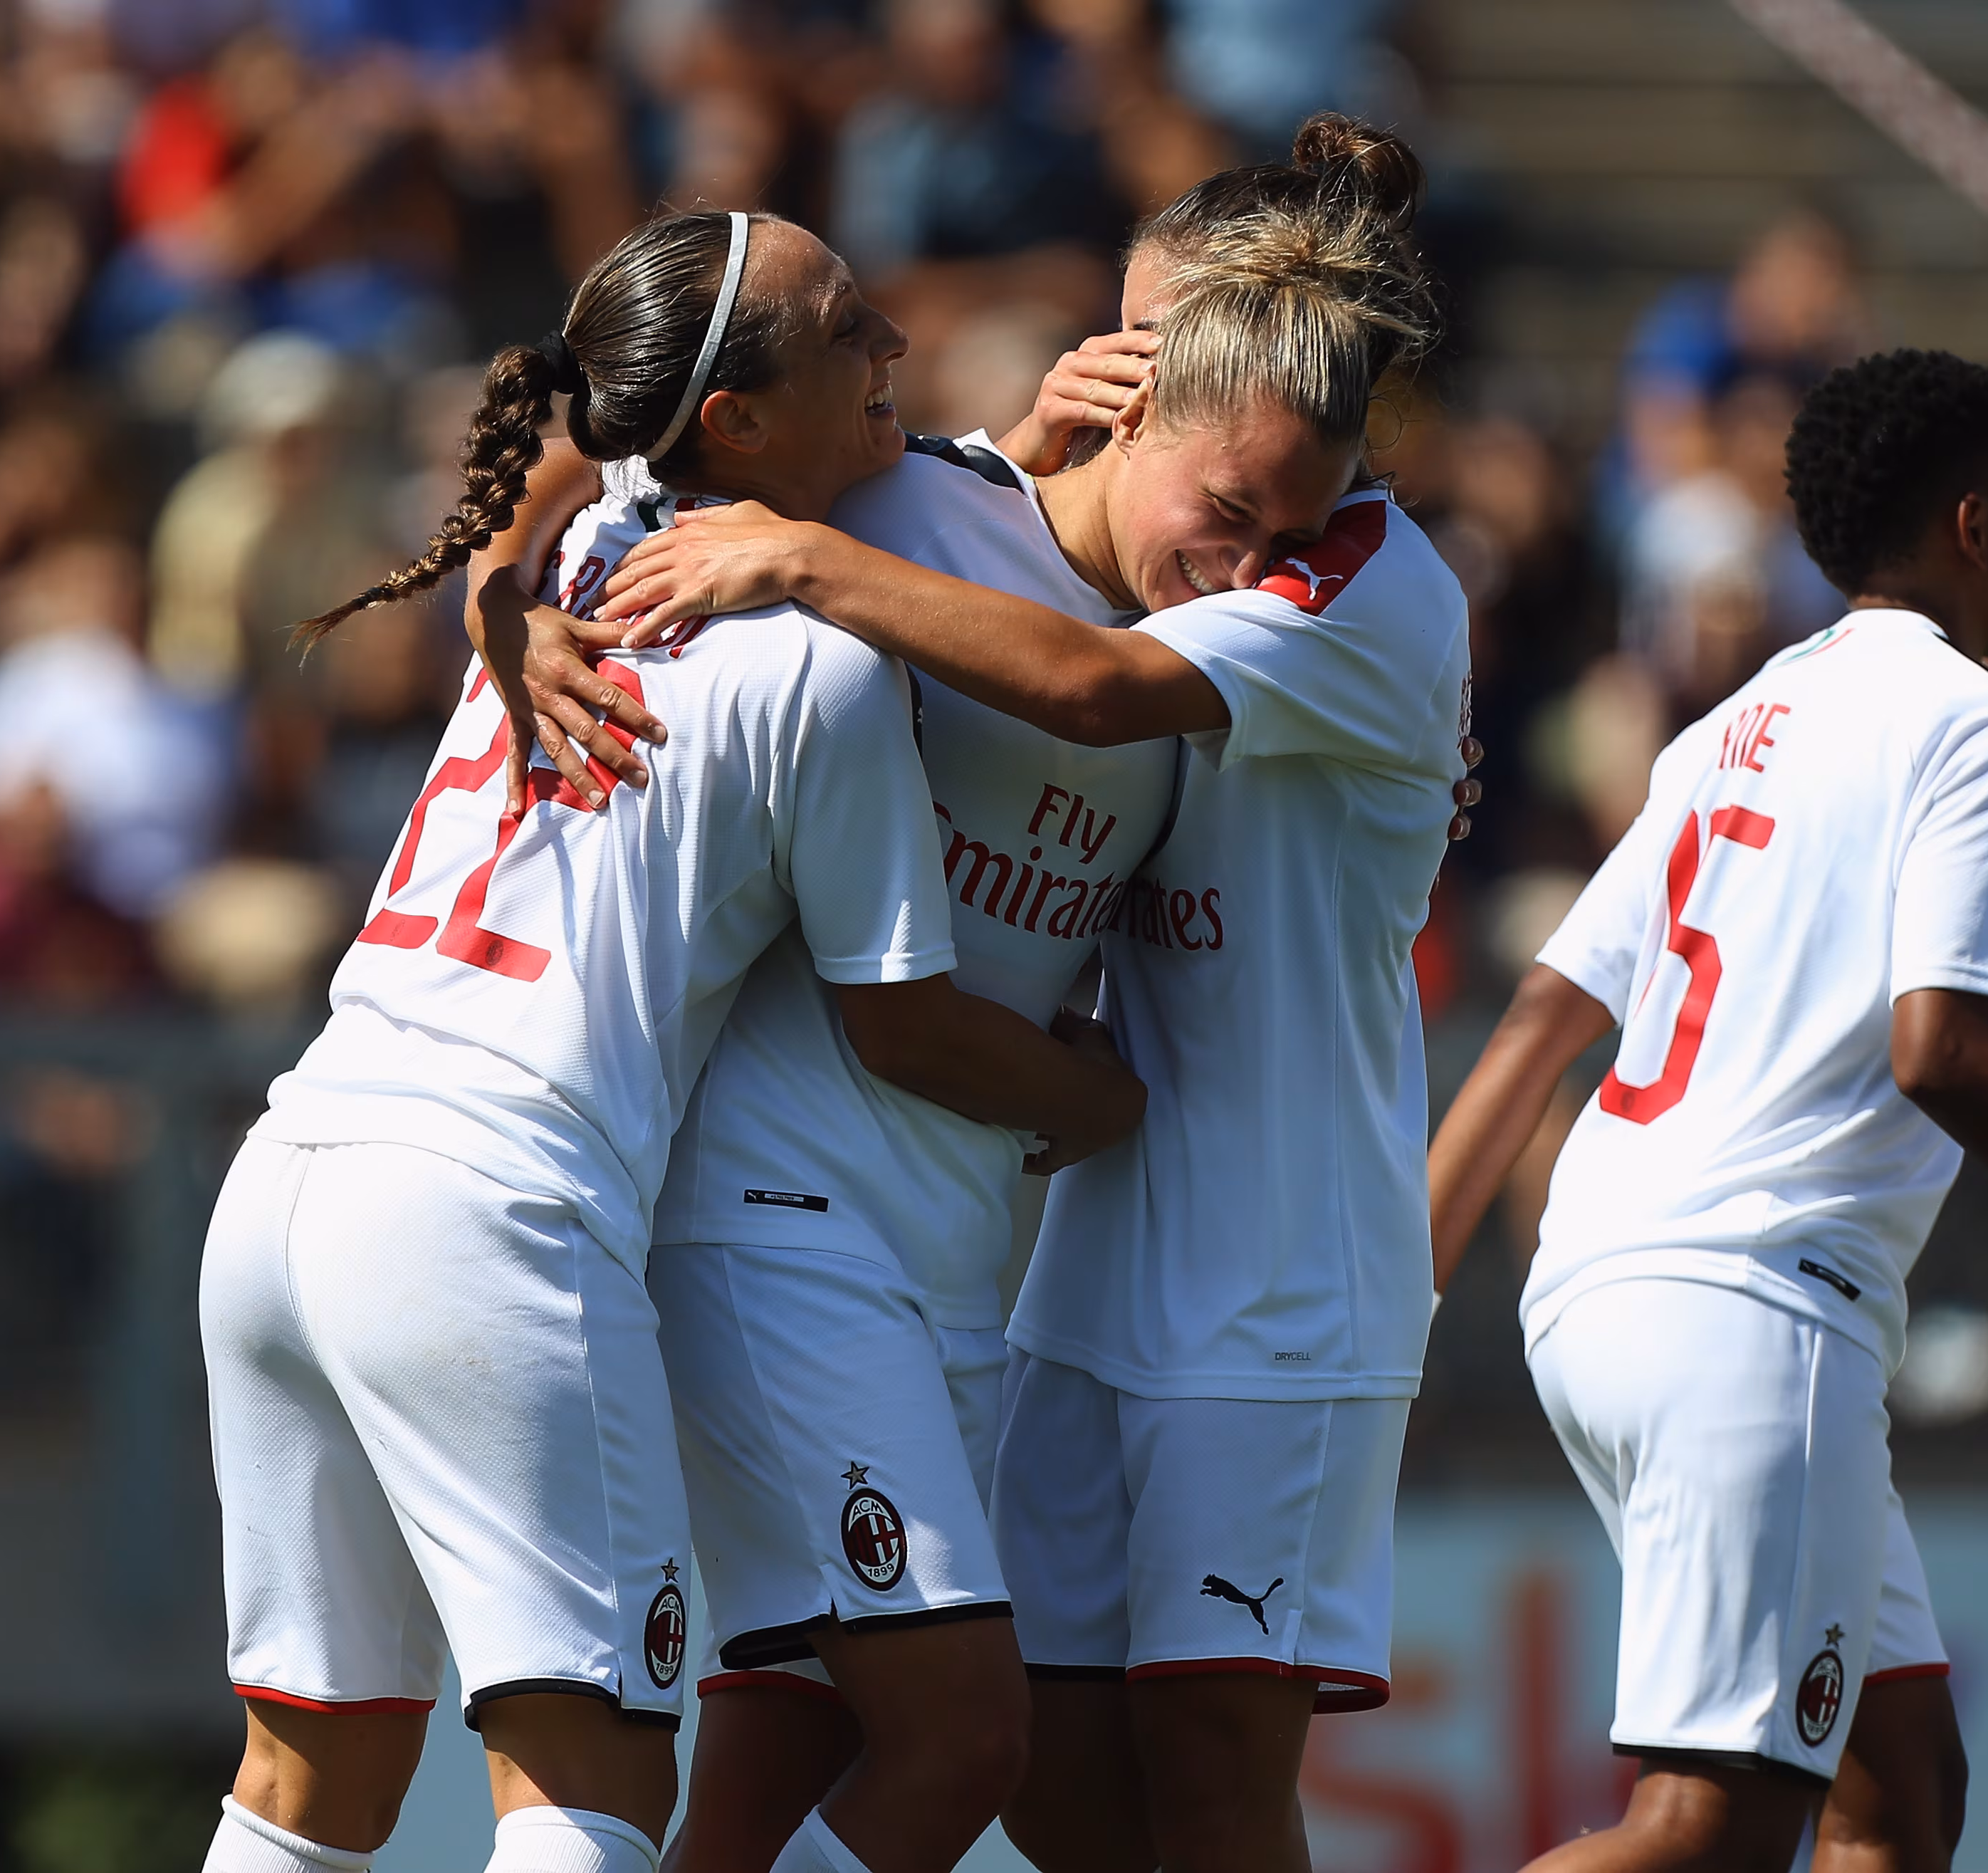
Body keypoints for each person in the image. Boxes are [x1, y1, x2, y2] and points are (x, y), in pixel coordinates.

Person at [196, 208, 1144, 1873]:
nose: (896, 353)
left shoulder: (568, 558)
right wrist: (1111, 1095)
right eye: (851, 329)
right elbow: (905, 1020)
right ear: (736, 422)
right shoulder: (824, 668)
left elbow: (542, 487)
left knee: (307, 1782)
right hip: (489, 1211)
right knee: (591, 1794)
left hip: (287, 1177)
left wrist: (502, 611)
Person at [597, 117, 1469, 1873]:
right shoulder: (964, 505)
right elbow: (635, 464)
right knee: (1028, 1774)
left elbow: (1085, 683)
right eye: (1222, 511)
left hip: (1275, 1290)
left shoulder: (1355, 587)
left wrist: (818, 549)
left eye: (1267, 524)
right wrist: (511, 604)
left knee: (1196, 1789)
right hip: (1053, 1280)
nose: (1235, 561)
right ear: (1135, 387)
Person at [1425, 350, 1988, 1873]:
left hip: (1600, 1285)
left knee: (1897, 1792)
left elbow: (1541, 1016)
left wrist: (1395, 1292)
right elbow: (1942, 1052)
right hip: (1753, 1303)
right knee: (1710, 1830)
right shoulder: (1977, 723)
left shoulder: (1735, 724)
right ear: (1978, 525)